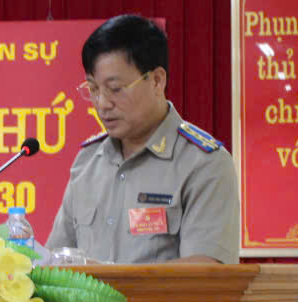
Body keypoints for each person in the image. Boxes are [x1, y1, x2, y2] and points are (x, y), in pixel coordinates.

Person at [47, 15, 240, 264]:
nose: (102, 104)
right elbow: (56, 260)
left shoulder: (204, 164)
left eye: (115, 89)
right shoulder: (88, 162)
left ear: (157, 80)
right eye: (93, 89)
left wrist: (107, 277)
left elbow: (205, 272)